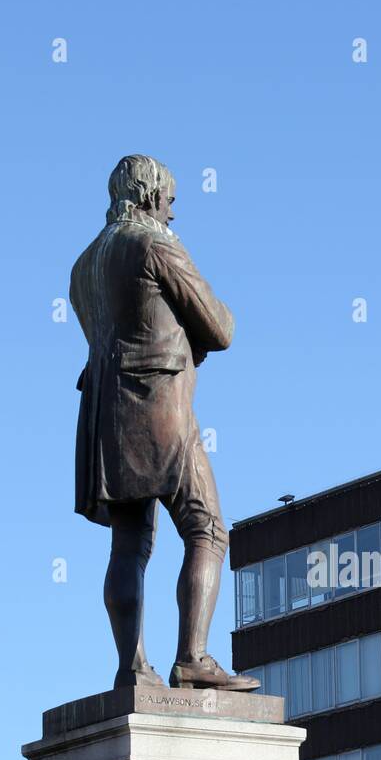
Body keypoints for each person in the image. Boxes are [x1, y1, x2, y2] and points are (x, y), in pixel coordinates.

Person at [69, 154, 260, 692]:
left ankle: (131, 668)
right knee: (207, 530)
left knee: (129, 545)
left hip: (107, 417)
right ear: (151, 196)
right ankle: (192, 657)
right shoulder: (155, 244)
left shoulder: (82, 267)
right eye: (171, 201)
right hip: (160, 408)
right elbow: (219, 327)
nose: (173, 214)